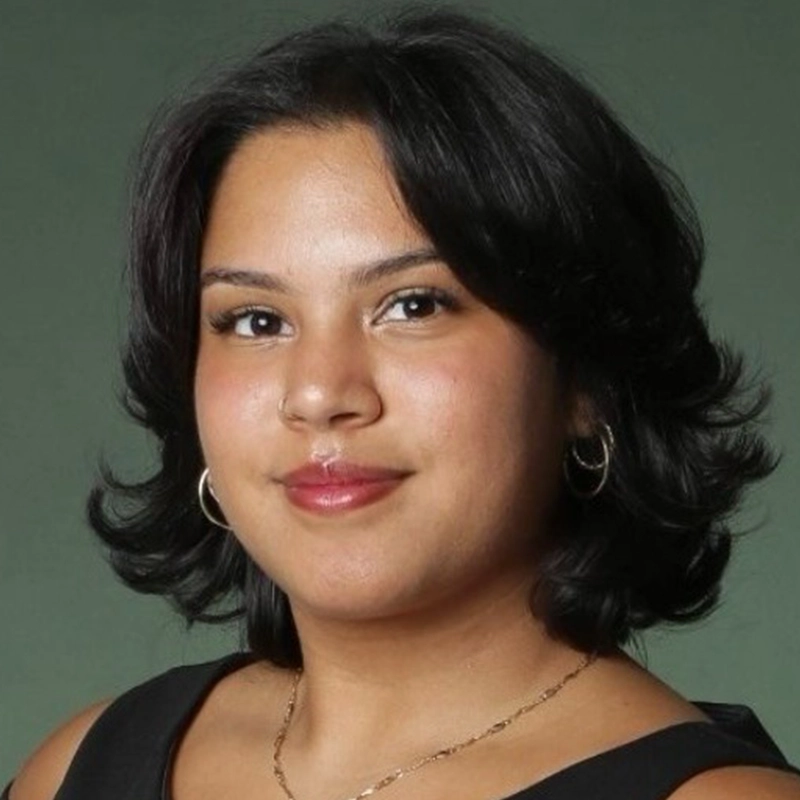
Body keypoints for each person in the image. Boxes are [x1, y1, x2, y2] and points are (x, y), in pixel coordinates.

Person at [6, 8, 800, 800]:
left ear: (584, 380)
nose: (319, 393)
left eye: (414, 306)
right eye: (256, 320)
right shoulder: (79, 770)